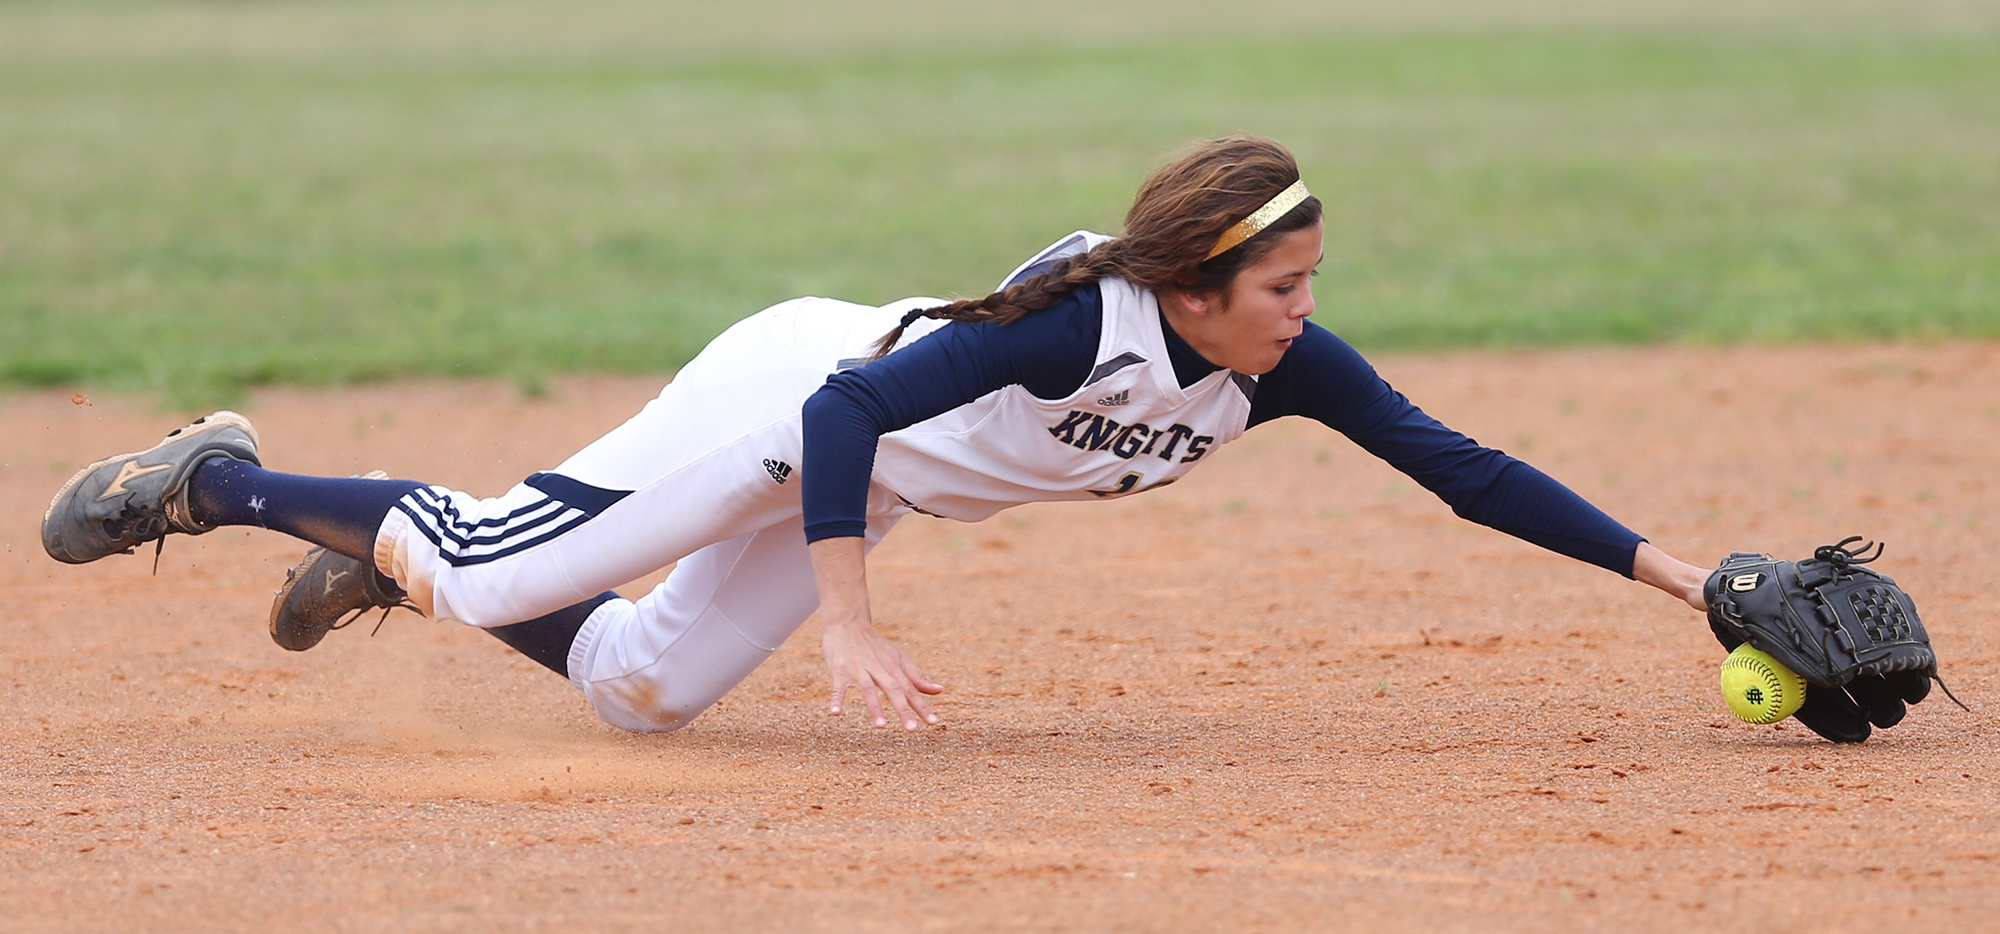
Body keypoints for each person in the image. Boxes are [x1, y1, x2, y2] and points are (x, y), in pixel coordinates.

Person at [43, 136, 1714, 735]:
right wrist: (852, 617)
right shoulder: (1079, 323)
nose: (1306, 306)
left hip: (867, 467)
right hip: (794, 405)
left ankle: (413, 552)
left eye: (1312, 282)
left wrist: (1688, 577)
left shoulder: (1271, 367)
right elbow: (846, 407)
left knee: (638, 693)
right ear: (1199, 283)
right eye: (1282, 281)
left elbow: (1462, 468)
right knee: (492, 588)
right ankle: (224, 480)